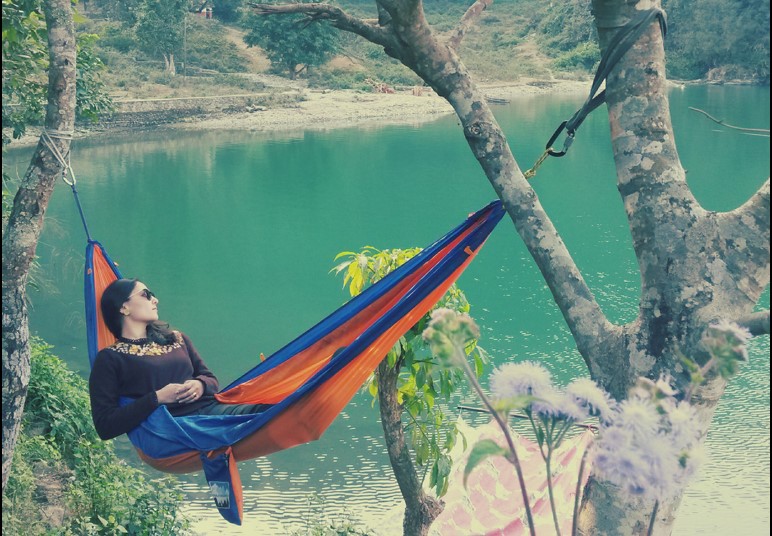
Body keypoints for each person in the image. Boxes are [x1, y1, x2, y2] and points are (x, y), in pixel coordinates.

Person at [89, 278, 268, 441]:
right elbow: (105, 426)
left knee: (272, 406)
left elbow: (211, 380)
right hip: (173, 430)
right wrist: (158, 398)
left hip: (212, 412)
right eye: (146, 295)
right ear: (124, 307)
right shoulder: (110, 358)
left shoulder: (176, 338)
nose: (155, 300)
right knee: (262, 413)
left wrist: (200, 385)